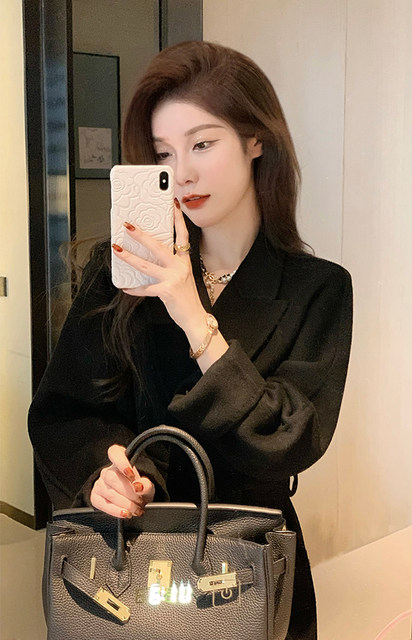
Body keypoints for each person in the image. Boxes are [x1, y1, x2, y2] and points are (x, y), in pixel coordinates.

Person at [28, 41, 353, 639]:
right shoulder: (120, 271)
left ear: (256, 141)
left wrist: (190, 311)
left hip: (247, 562)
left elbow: (289, 437)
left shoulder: (318, 288)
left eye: (202, 144)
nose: (182, 174)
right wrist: (111, 472)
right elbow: (66, 413)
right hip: (130, 563)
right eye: (163, 153)